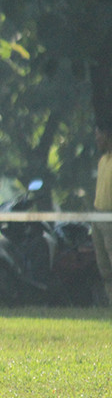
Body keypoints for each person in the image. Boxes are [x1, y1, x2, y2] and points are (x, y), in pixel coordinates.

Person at [92, 124, 112, 303]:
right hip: (98, 215)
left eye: (99, 134)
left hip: (110, 218)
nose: (97, 138)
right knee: (104, 266)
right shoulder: (102, 161)